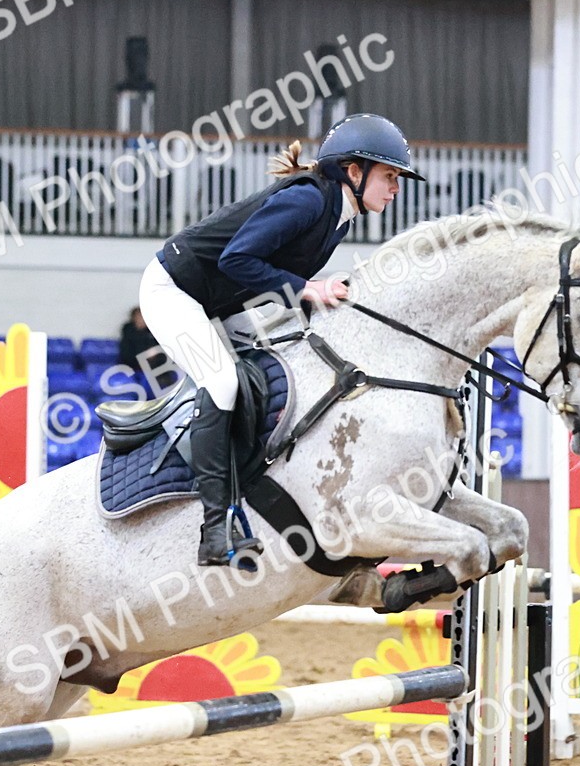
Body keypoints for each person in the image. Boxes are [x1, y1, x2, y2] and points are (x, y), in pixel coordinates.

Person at [137, 113, 426, 566]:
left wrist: (319, 299)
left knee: (276, 371)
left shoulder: (339, 217)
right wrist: (307, 288)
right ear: (355, 171)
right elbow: (237, 259)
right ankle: (214, 528)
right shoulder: (309, 201)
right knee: (222, 383)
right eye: (390, 176)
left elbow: (268, 278)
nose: (396, 187)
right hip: (174, 289)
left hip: (223, 304)